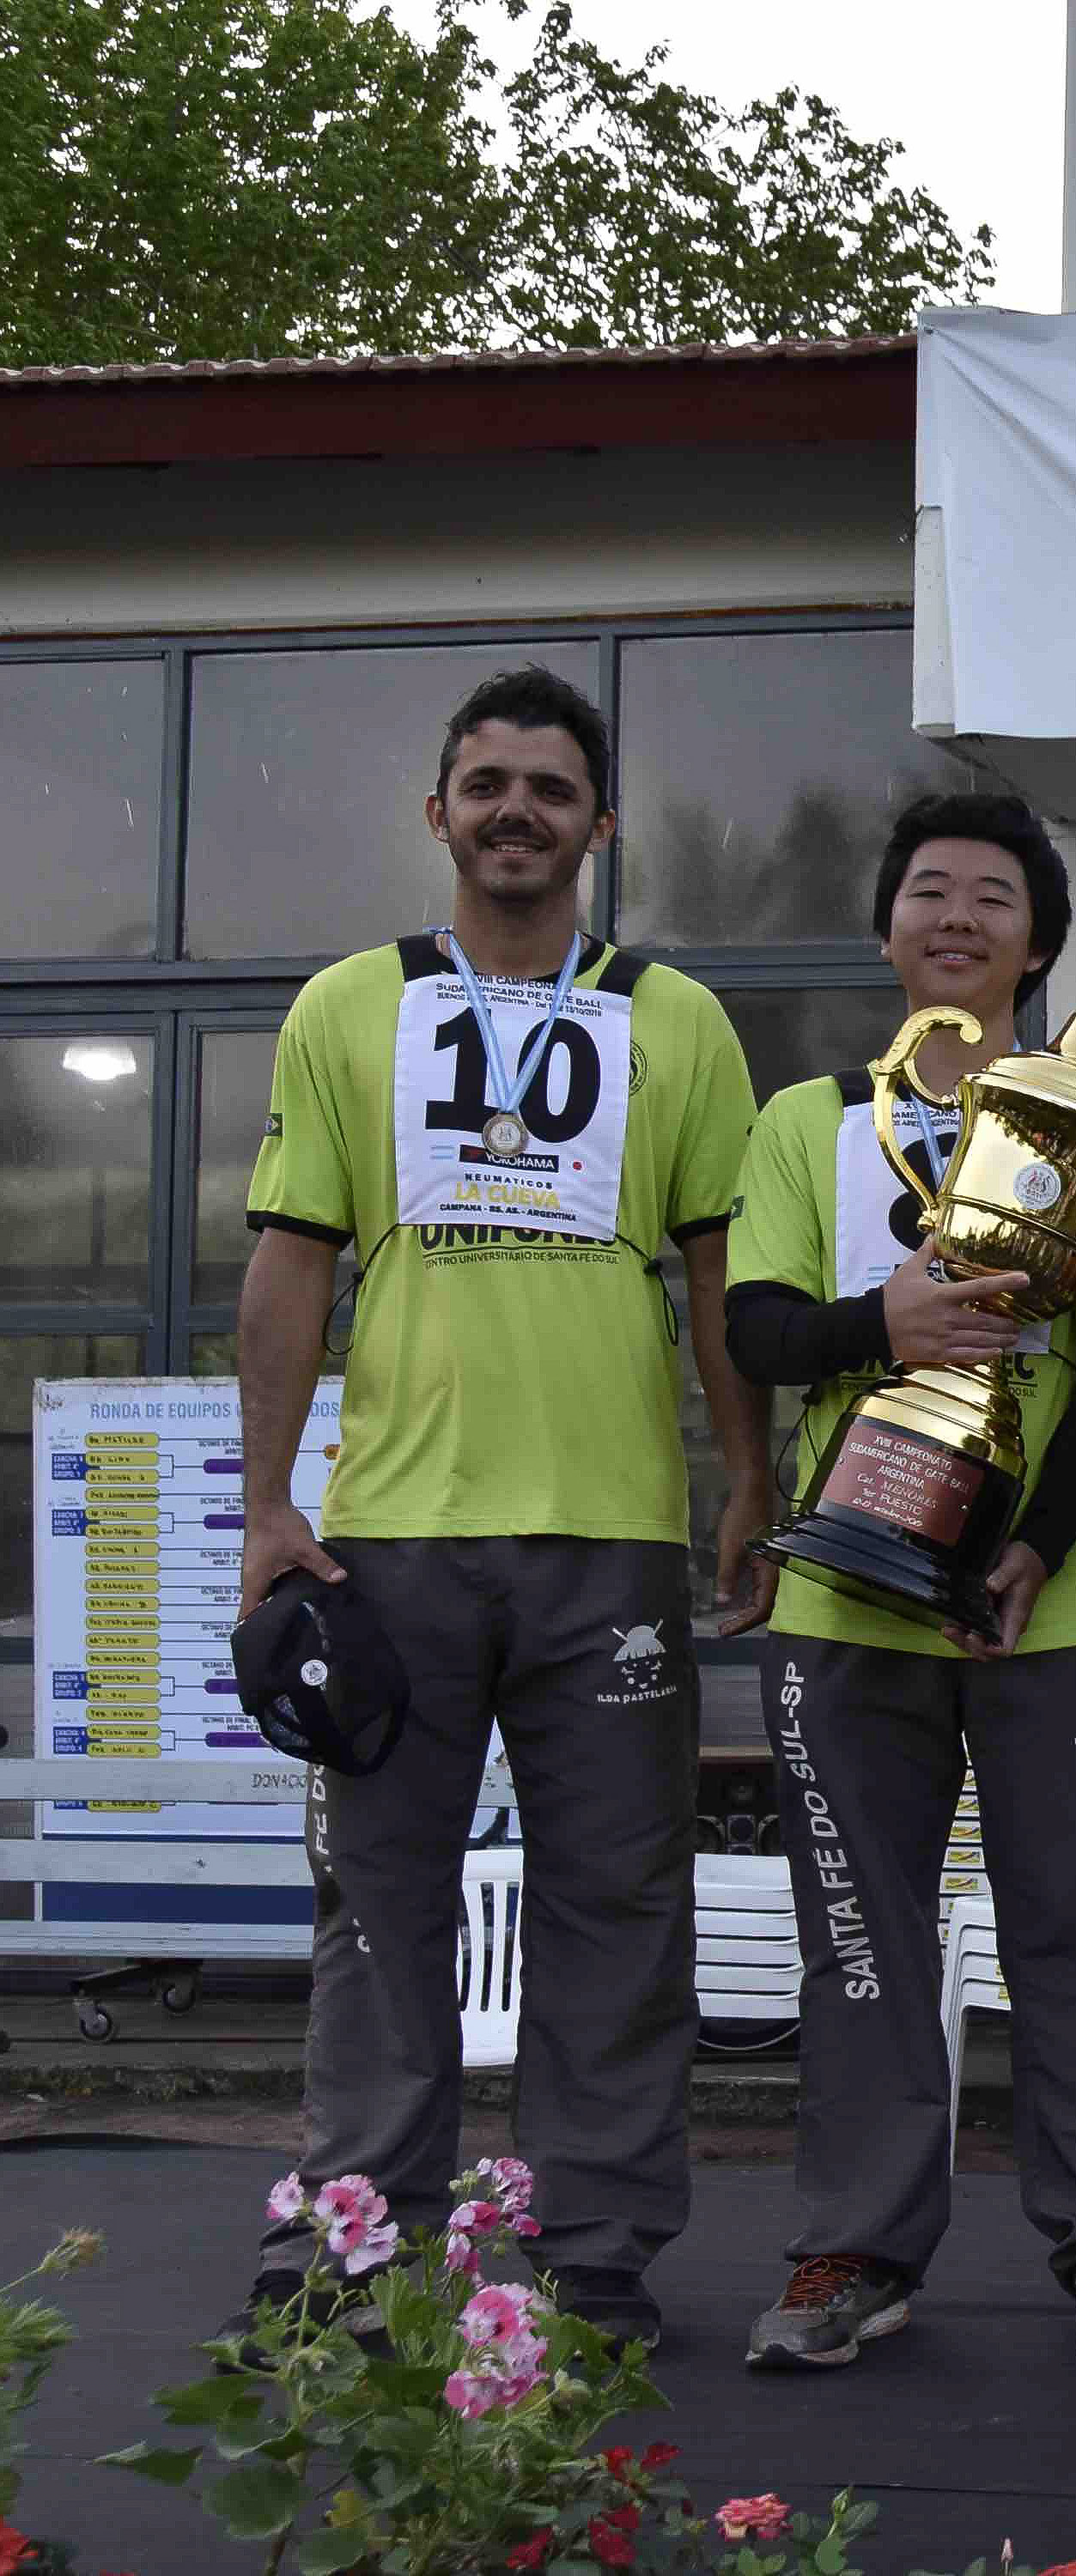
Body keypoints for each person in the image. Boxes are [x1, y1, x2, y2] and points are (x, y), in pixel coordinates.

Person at [234, 666, 767, 2352]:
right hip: (390, 1537)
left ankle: (595, 2242)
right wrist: (263, 1503)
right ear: (439, 812)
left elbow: (719, 1279)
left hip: (608, 1535)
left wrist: (744, 1475)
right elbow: (288, 1265)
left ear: (602, 825)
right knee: (378, 1900)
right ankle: (358, 2230)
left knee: (619, 1901)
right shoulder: (344, 1009)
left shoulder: (679, 1018)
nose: (516, 809)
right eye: (487, 783)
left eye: (550, 785)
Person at [722, 793, 1076, 2372]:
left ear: (1040, 943)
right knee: (863, 1937)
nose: (958, 915)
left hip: (1049, 1601)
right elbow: (758, 1333)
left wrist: (1037, 1544)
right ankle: (853, 2247)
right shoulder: (805, 1122)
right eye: (929, 890)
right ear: (887, 931)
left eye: (994, 896)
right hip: (843, 1596)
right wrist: (890, 1329)